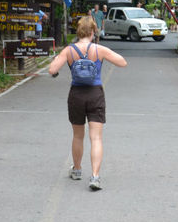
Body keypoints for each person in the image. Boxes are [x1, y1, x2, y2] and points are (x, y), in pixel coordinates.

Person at [48, 15, 127, 192]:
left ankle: (76, 170)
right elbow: (122, 62)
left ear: (78, 32)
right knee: (96, 137)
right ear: (93, 32)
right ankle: (95, 176)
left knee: (78, 135)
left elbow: (52, 69)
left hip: (76, 94)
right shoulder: (99, 50)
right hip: (95, 94)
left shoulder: (69, 50)